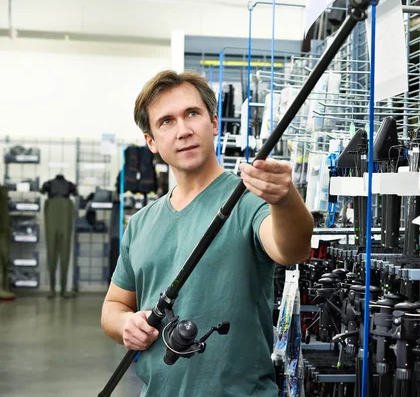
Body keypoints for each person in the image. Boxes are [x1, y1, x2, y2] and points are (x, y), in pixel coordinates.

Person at [100, 69, 314, 397]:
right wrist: (125, 325)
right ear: (151, 142)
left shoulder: (248, 200)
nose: (183, 130)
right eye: (166, 121)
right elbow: (114, 306)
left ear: (213, 123)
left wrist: (285, 200)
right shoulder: (141, 223)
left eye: (192, 114)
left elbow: (292, 249)